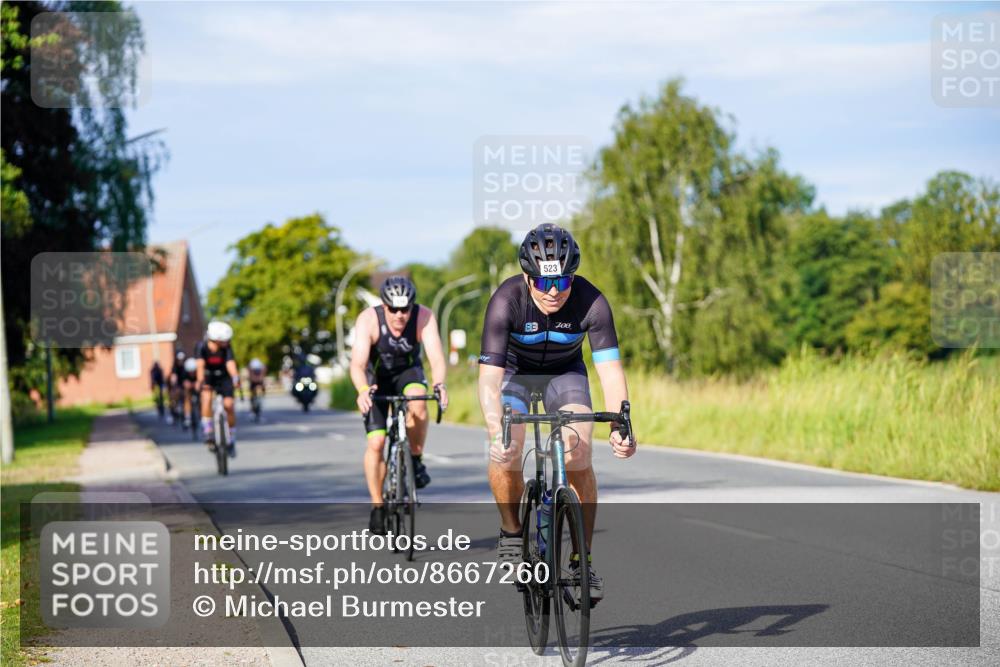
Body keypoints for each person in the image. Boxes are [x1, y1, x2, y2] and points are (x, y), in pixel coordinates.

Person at [478, 223, 636, 603]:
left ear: (572, 279)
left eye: (563, 283)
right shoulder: (506, 300)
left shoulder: (592, 302)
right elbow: (488, 381)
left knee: (579, 447)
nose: (553, 292)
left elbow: (611, 372)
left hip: (565, 376)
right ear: (527, 277)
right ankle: (512, 531)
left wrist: (621, 423)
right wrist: (493, 427)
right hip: (515, 376)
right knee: (508, 446)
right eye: (544, 283)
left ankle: (582, 560)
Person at [350, 276, 449, 535]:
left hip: (408, 373)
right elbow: (358, 364)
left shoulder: (424, 316)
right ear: (384, 306)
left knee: (418, 400)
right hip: (376, 380)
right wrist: (362, 389)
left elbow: (436, 357)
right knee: (376, 443)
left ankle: (415, 460)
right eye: (393, 309)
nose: (399, 315)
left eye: (405, 309)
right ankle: (378, 506)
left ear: (412, 307)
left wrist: (439, 385)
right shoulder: (368, 320)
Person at [195, 321, 240, 456]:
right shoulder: (202, 347)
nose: (228, 342)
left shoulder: (226, 348)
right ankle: (208, 429)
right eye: (225, 340)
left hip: (223, 377)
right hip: (208, 376)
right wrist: (200, 381)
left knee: (229, 405)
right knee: (206, 397)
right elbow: (200, 366)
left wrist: (235, 378)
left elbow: (230, 363)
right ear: (216, 340)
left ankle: (231, 437)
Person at [167, 351, 187, 424]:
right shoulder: (174, 367)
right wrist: (173, 383)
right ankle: (172, 414)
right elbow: (173, 377)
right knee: (173, 398)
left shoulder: (185, 365)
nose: (181, 361)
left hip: (184, 384)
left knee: (185, 398)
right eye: (179, 360)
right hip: (177, 385)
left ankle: (186, 416)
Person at [182, 356, 198, 428]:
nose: (192, 373)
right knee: (187, 396)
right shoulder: (185, 373)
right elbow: (184, 382)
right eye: (190, 372)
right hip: (189, 388)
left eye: (193, 371)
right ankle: (187, 416)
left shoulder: (198, 372)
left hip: (197, 388)